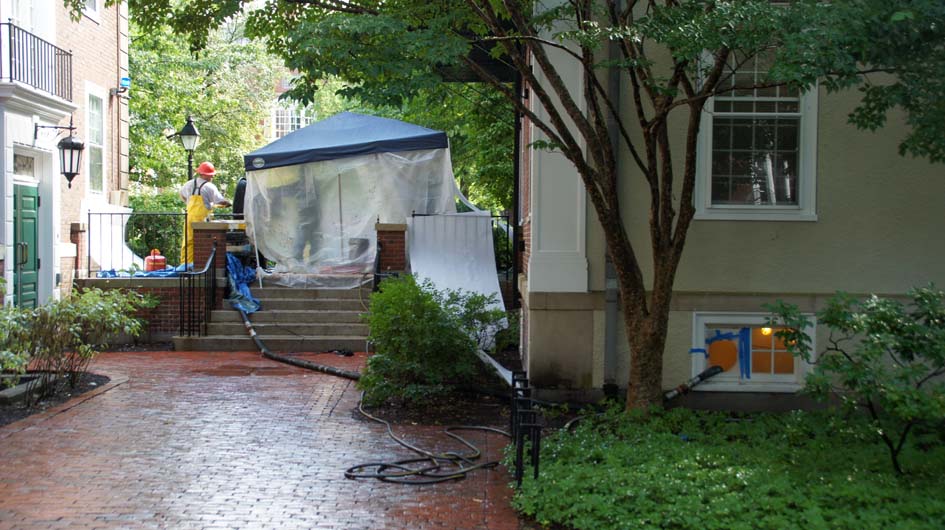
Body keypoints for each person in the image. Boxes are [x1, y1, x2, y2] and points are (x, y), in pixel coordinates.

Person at [179, 161, 231, 264]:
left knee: (188, 241)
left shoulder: (189, 184)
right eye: (211, 175)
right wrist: (228, 203)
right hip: (203, 219)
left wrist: (188, 202)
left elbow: (181, 195)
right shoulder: (209, 187)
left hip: (189, 216)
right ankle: (201, 264)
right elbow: (220, 201)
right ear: (206, 175)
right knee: (204, 241)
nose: (211, 177)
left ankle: (185, 265)